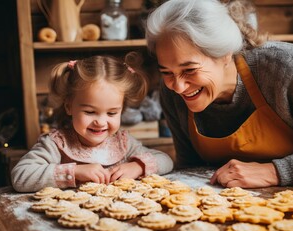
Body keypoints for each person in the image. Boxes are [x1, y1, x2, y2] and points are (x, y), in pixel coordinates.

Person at [145, 0, 293, 188]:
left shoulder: (285, 68)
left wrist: (274, 172)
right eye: (166, 72)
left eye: (190, 70)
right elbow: (190, 171)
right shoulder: (171, 91)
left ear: (225, 55)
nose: (179, 87)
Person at [11, 53, 174, 192]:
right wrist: (74, 172)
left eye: (112, 113)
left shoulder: (122, 143)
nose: (101, 122)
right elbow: (21, 176)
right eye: (89, 112)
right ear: (69, 106)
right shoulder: (56, 144)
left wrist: (137, 167)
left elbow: (166, 160)